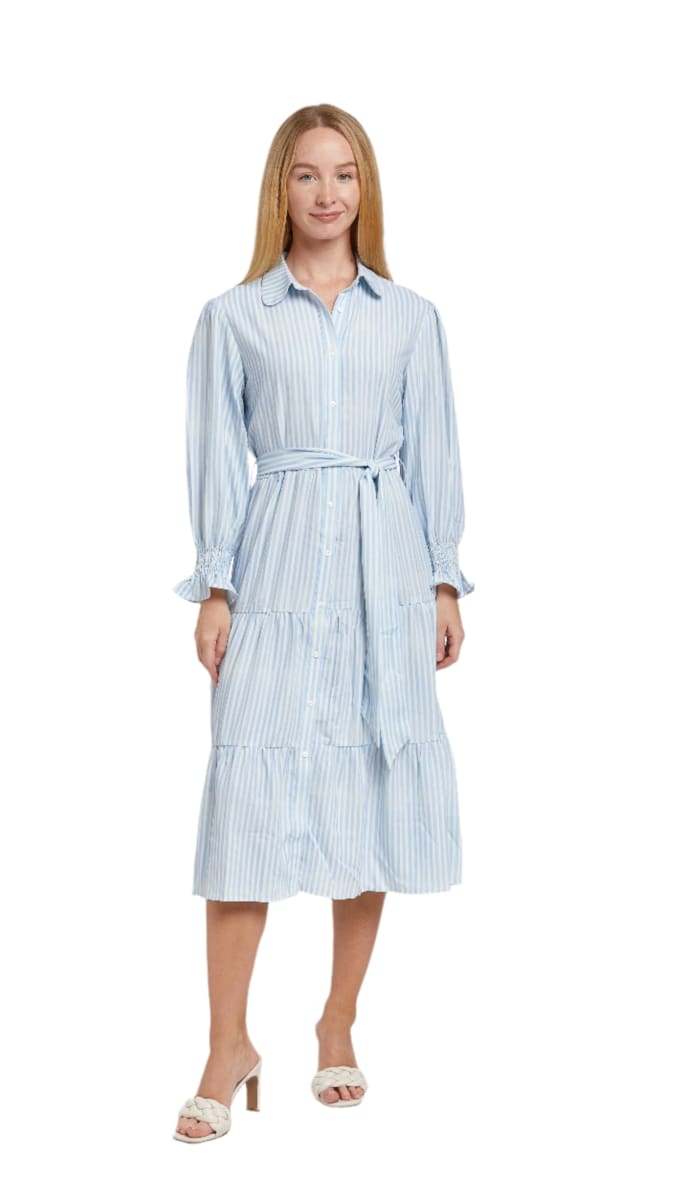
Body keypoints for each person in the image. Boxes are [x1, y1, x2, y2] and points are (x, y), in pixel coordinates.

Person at [171, 103, 475, 1142]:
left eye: (344, 173)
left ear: (365, 187)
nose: (327, 193)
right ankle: (227, 1044)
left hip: (383, 569)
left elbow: (434, 454)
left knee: (371, 784)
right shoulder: (233, 317)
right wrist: (217, 588)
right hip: (274, 561)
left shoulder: (411, 318)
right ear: (280, 189)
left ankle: (337, 1020)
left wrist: (441, 583)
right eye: (306, 174)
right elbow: (217, 459)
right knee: (245, 797)